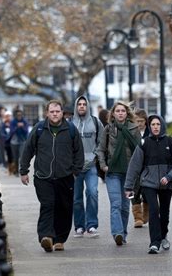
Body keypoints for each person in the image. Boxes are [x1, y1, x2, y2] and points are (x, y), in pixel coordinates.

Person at [19, 100, 84, 252]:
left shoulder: (71, 130)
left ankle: (60, 239)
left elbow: (78, 152)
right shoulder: (39, 129)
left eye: (57, 111)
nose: (55, 114)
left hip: (65, 176)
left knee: (64, 208)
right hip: (43, 176)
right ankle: (46, 236)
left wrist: (75, 171)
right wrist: (24, 171)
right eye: (52, 112)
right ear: (47, 113)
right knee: (48, 205)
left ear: (62, 113)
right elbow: (27, 150)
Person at [124, 114, 172, 254]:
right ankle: (154, 243)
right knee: (154, 210)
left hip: (166, 184)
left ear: (162, 125)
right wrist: (128, 186)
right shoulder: (144, 143)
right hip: (148, 184)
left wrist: (169, 177)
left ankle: (163, 236)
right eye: (153, 125)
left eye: (158, 124)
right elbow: (134, 166)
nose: (155, 127)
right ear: (149, 127)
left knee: (164, 212)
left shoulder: (171, 142)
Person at [96, 101, 140, 246]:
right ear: (113, 114)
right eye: (118, 111)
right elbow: (100, 149)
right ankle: (118, 233)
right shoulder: (108, 130)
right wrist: (103, 165)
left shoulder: (134, 129)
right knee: (116, 204)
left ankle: (123, 234)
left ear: (127, 113)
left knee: (125, 206)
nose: (120, 113)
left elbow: (139, 151)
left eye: (123, 111)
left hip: (130, 175)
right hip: (112, 173)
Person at [72, 96, 104, 238]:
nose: (82, 106)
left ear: (88, 106)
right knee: (76, 198)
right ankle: (79, 226)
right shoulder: (70, 124)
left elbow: (102, 142)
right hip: (75, 167)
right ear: (76, 106)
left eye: (84, 104)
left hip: (91, 166)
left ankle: (91, 225)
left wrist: (96, 156)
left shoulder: (96, 123)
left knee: (92, 193)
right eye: (79, 104)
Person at [131, 109, 150, 228]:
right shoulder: (132, 132)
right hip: (135, 166)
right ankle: (137, 217)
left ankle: (146, 214)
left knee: (147, 191)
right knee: (134, 191)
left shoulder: (150, 132)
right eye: (137, 121)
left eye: (142, 121)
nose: (139, 123)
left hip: (148, 167)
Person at [9, 109, 29, 177]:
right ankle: (16, 171)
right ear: (15, 115)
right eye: (18, 115)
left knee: (22, 156)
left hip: (22, 141)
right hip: (14, 142)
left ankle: (22, 171)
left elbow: (26, 131)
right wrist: (17, 126)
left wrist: (22, 126)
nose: (19, 116)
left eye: (20, 115)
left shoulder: (25, 121)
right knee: (15, 158)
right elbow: (11, 131)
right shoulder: (12, 122)